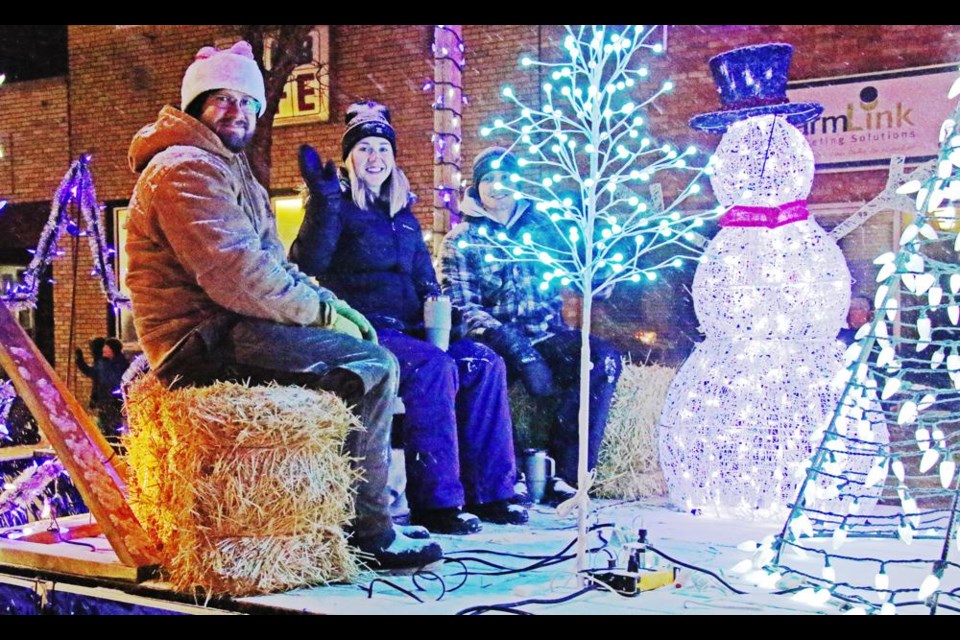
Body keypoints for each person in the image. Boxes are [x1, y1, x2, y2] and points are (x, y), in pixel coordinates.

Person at [123, 41, 441, 570]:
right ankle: (371, 531)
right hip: (199, 337)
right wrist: (325, 318)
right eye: (222, 99)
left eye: (248, 102)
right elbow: (239, 275)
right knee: (374, 365)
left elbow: (276, 263)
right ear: (194, 104)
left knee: (353, 353)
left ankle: (322, 518)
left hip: (234, 325)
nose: (238, 111)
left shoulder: (230, 168)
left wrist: (338, 310)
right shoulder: (184, 170)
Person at [289, 102, 527, 535]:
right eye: (364, 149)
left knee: (482, 362)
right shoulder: (336, 206)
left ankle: (492, 492)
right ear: (349, 157)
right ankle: (436, 503)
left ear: (393, 157)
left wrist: (442, 312)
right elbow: (308, 260)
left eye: (382, 148)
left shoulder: (405, 217)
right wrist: (323, 204)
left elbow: (424, 279)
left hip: (413, 328)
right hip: (366, 329)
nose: (374, 157)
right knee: (432, 368)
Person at [441, 147, 623, 503]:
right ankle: (512, 471)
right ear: (476, 187)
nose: (497, 186)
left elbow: (588, 278)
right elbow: (461, 305)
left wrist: (599, 255)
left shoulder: (546, 231)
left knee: (601, 360)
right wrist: (514, 346)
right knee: (488, 378)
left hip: (547, 334)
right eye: (488, 179)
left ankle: (567, 474)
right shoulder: (462, 239)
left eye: (505, 177)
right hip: (493, 340)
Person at [76, 337, 129, 440]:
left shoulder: (121, 364)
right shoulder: (102, 363)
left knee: (114, 430)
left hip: (115, 403)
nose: (104, 349)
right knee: (103, 430)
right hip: (103, 403)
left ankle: (114, 447)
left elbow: (117, 381)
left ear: (112, 350)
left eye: (107, 347)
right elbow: (92, 373)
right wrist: (80, 361)